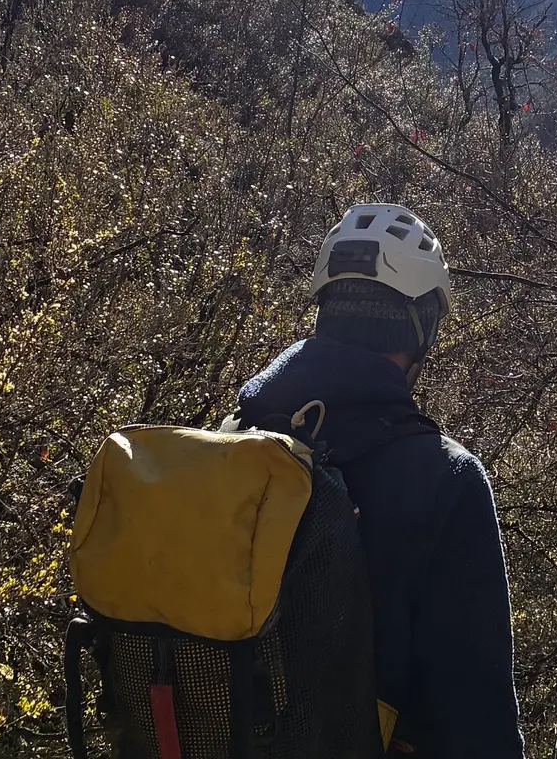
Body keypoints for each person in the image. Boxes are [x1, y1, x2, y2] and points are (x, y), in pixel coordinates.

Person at [224, 203, 525, 758]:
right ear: (423, 329)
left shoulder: (233, 437)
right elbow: (478, 716)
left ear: (324, 310)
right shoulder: (446, 479)